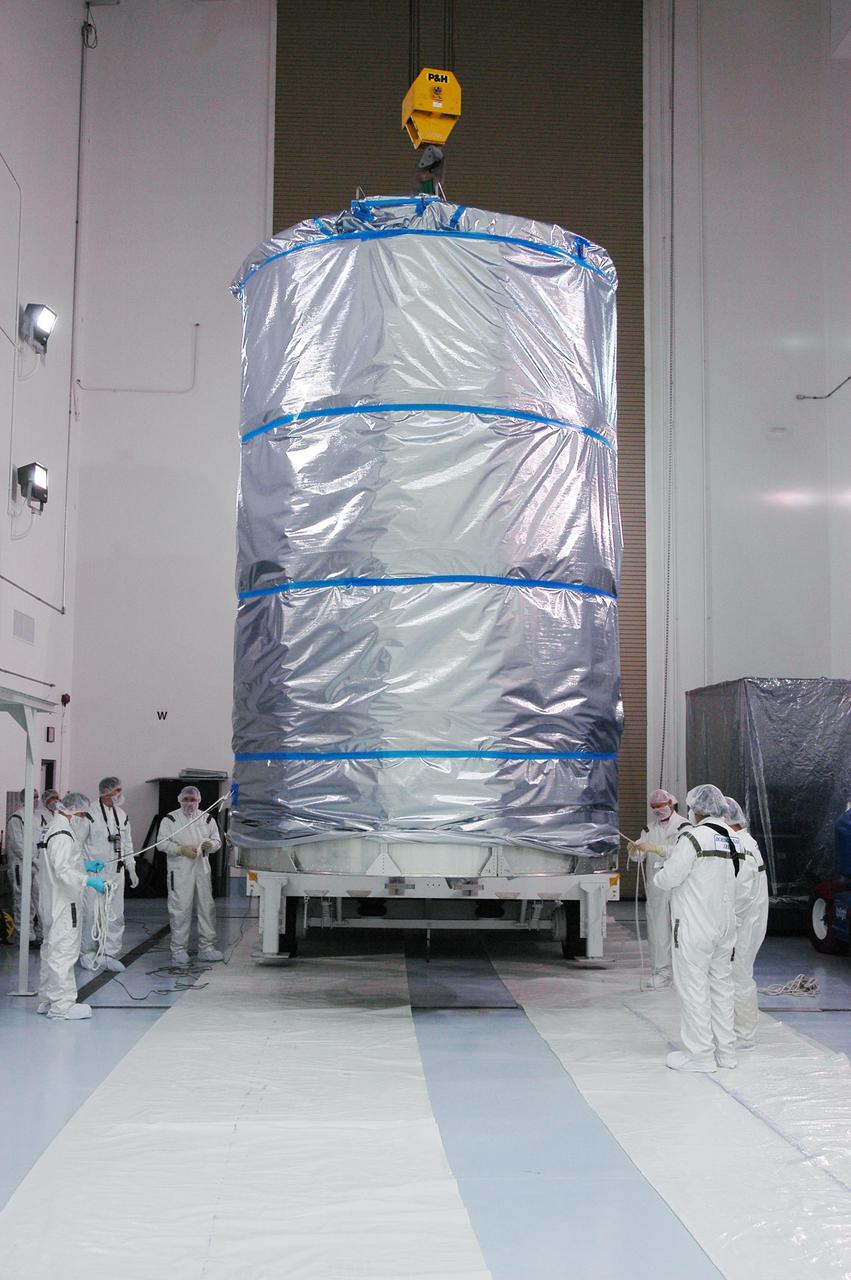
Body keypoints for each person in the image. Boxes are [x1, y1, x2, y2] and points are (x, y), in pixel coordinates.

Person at [654, 783, 740, 1073]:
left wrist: (658, 875)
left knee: (694, 989)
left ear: (698, 809)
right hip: (725, 926)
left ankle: (701, 1057)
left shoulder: (692, 837)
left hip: (694, 925)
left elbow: (671, 877)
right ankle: (727, 1054)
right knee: (722, 989)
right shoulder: (733, 839)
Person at [37, 792, 106, 1020]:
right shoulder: (63, 833)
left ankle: (48, 999)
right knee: (63, 952)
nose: (83, 819)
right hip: (64, 903)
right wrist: (89, 880)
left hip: (51, 901)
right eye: (83, 814)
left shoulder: (53, 828)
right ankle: (62, 1006)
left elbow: (61, 861)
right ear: (75, 810)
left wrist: (84, 865)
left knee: (50, 950)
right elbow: (62, 870)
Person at [628, 789, 691, 987]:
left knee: (683, 930)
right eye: (653, 807)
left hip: (680, 886)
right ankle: (661, 971)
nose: (657, 810)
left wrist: (657, 848)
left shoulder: (685, 826)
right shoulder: (648, 830)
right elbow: (639, 857)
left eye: (660, 806)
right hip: (657, 887)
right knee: (658, 930)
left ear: (670, 805)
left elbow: (683, 852)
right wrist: (634, 850)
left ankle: (686, 973)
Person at [156, 786, 223, 966]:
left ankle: (207, 948)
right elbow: (161, 844)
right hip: (179, 871)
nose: (189, 803)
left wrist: (210, 845)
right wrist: (180, 850)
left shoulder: (207, 818)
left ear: (199, 800)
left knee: (206, 908)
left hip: (202, 868)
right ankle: (178, 950)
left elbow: (217, 841)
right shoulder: (170, 819)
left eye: (192, 800)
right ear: (179, 800)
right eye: (185, 799)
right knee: (180, 909)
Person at [80, 776, 138, 972]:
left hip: (116, 872)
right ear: (106, 792)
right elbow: (77, 844)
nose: (121, 794)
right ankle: (87, 952)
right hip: (94, 872)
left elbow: (127, 843)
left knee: (115, 914)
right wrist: (83, 866)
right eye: (117, 790)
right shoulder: (89, 813)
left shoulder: (122, 814)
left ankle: (109, 953)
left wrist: (131, 868)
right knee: (90, 914)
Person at [725, 796, 769, 1051]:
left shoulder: (740, 846)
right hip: (750, 919)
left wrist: (726, 922)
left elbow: (740, 893)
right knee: (739, 974)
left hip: (744, 922)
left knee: (739, 975)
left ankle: (743, 1035)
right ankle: (740, 1030)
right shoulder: (744, 841)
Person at [5, 789, 47, 943]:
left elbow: (43, 838)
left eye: (37, 797)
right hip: (20, 866)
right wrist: (33, 859)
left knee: (38, 899)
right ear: (24, 798)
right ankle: (23, 935)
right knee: (22, 900)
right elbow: (18, 845)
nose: (36, 799)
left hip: (37, 864)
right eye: (33, 797)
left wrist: (40, 860)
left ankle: (38, 933)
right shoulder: (17, 818)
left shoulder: (39, 817)